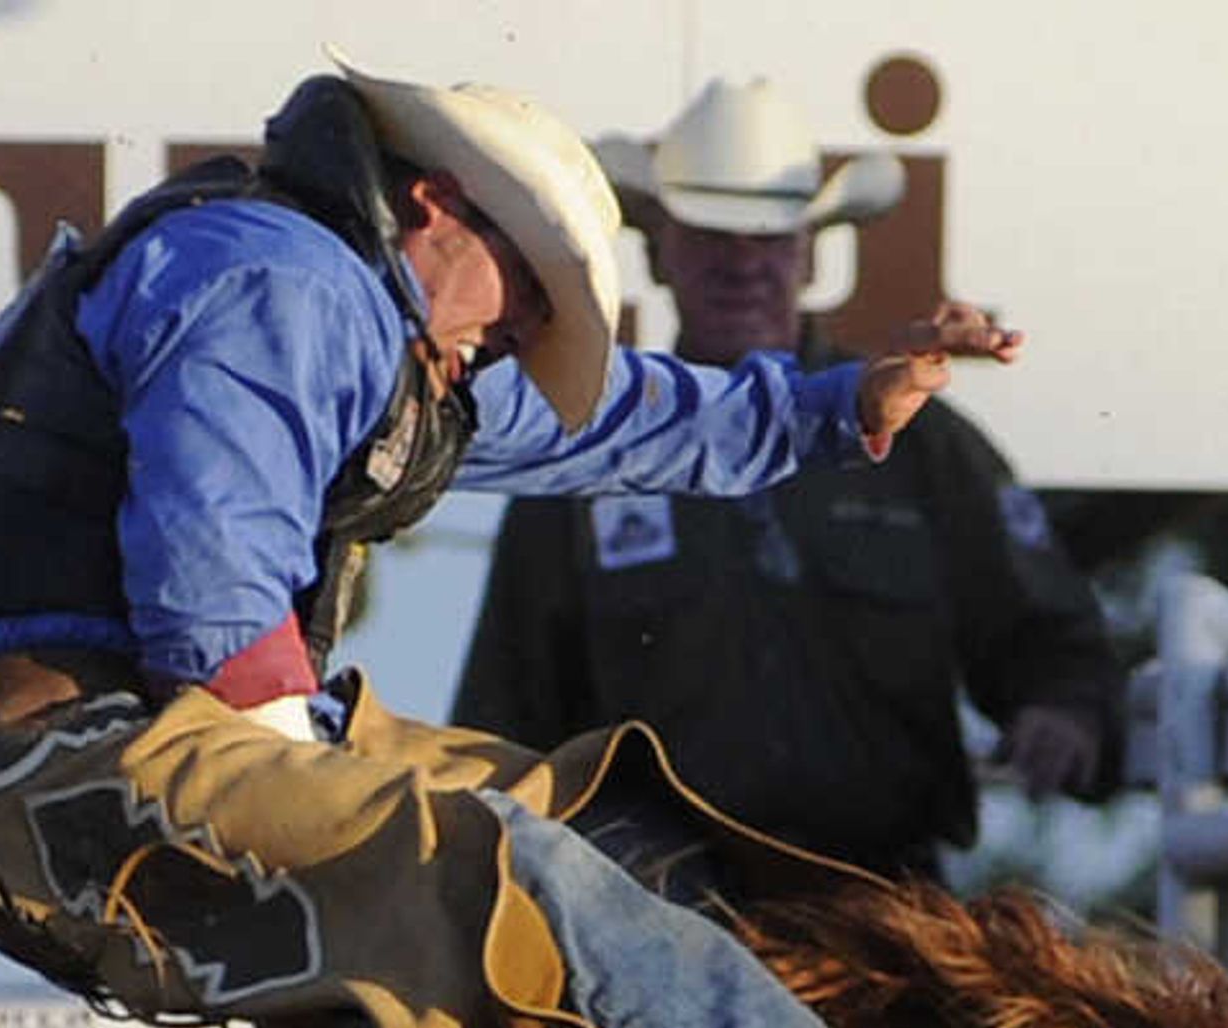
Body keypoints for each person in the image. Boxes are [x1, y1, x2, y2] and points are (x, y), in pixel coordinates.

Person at [0, 64, 1062, 1028]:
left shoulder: (361, 320)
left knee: (602, 832)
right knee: (495, 851)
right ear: (435, 205)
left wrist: (829, 408)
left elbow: (605, 422)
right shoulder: (278, 281)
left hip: (97, 742)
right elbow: (213, 600)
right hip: (59, 756)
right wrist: (331, 790)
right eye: (527, 290)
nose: (522, 328)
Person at [452, 74, 1115, 883]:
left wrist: (1065, 710)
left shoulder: (925, 447)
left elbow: (1048, 633)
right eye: (711, 236)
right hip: (650, 909)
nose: (743, 264)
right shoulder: (588, 454)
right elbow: (506, 719)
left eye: (768, 238)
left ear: (810, 256)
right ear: (660, 254)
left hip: (883, 902)